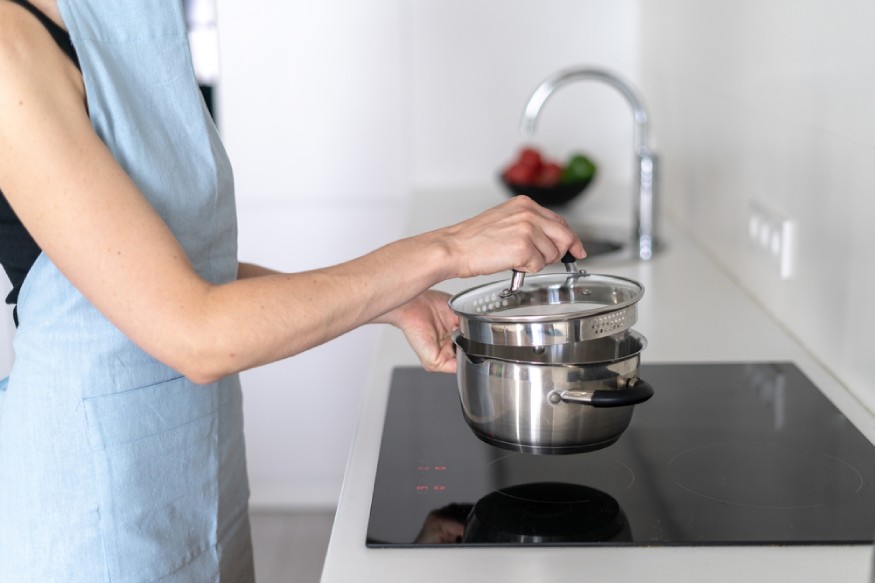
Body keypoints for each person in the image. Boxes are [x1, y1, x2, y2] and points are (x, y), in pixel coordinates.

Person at [0, 0, 585, 581]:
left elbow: (182, 276)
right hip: (93, 507)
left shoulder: (135, 23)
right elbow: (194, 330)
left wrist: (392, 299)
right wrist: (446, 249)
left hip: (197, 468)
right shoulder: (11, 44)